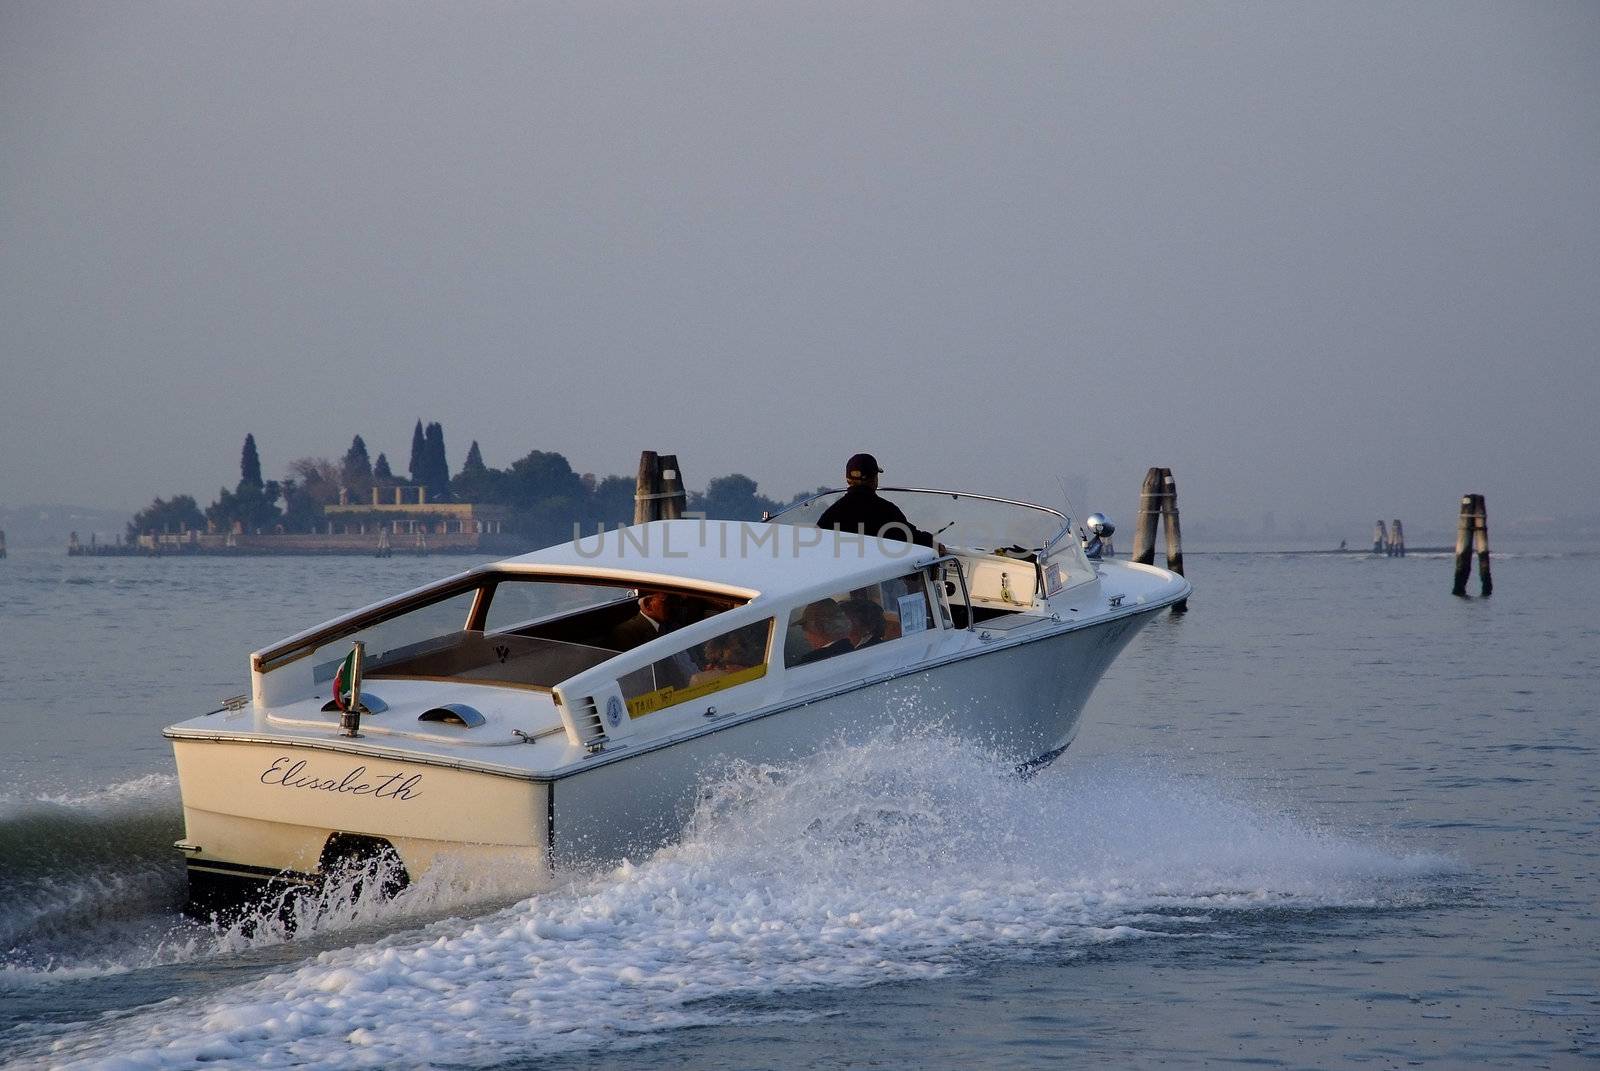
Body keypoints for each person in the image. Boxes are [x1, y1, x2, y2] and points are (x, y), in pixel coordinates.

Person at [816, 453, 935, 547]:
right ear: (874, 479)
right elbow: (911, 536)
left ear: (847, 480)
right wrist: (932, 542)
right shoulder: (887, 511)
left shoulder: (831, 514)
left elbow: (818, 540)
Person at [791, 600, 854, 665]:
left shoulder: (811, 660)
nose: (806, 637)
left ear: (818, 627)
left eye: (805, 629)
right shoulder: (850, 648)